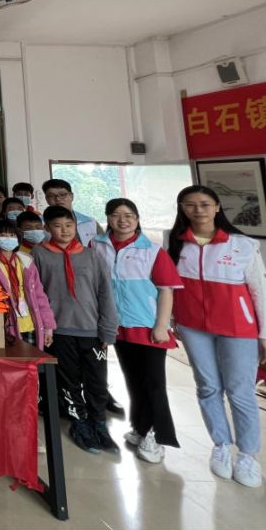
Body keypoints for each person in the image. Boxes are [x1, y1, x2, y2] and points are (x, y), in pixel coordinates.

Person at [169, 186, 266, 488]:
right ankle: (221, 445)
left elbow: (261, 291)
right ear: (182, 208)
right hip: (193, 327)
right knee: (207, 387)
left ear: (217, 207)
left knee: (240, 391)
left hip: (238, 327)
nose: (198, 210)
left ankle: (248, 455)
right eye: (190, 205)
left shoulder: (243, 244)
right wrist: (172, 320)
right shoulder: (176, 243)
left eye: (205, 204)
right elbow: (170, 286)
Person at [91, 198, 182, 464]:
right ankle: (141, 428)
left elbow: (166, 290)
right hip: (117, 325)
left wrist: (162, 325)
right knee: (133, 380)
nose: (123, 221)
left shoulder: (152, 250)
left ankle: (157, 435)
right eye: (116, 215)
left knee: (154, 383)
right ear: (108, 218)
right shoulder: (96, 245)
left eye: (129, 215)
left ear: (137, 219)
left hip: (147, 325)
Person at [34, 205, 119, 455]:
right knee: (68, 379)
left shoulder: (91, 255)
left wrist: (108, 329)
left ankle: (99, 422)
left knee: (97, 380)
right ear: (47, 228)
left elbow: (105, 292)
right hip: (59, 331)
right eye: (58, 226)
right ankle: (79, 422)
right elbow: (35, 294)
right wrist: (44, 327)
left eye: (69, 225)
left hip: (91, 329)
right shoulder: (39, 254)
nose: (65, 231)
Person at [0, 220, 55, 351]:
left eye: (12, 235)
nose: (8, 238)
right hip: (5, 325)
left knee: (31, 362)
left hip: (30, 324)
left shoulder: (26, 261)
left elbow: (39, 296)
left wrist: (48, 327)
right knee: (11, 361)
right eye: (2, 235)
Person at [43, 179, 103, 246]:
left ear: (71, 196)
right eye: (51, 196)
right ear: (46, 199)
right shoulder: (40, 224)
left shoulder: (90, 221)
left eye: (62, 195)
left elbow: (104, 246)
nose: (58, 199)